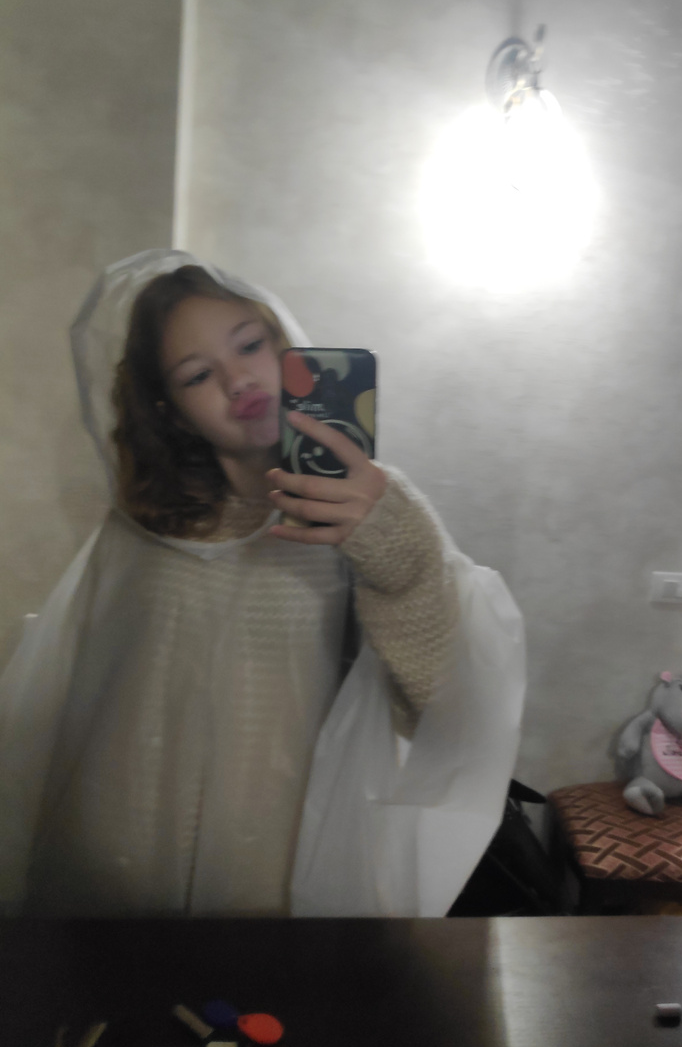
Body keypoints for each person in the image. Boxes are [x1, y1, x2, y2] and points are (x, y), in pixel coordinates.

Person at [0, 250, 525, 918]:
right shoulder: (147, 525)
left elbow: (446, 702)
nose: (237, 380)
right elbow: (89, 699)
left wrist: (397, 551)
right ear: (173, 411)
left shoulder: (363, 507)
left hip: (286, 872)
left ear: (287, 347)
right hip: (121, 866)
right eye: (197, 375)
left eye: (249, 345)